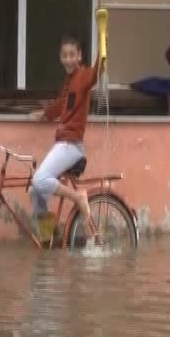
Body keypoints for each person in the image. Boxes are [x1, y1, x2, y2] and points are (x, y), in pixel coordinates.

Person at [29, 35, 102, 236]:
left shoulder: (83, 75)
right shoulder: (69, 81)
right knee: (35, 191)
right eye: (64, 55)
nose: (68, 59)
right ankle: (47, 237)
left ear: (79, 56)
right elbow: (61, 105)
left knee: (39, 180)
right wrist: (44, 114)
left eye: (72, 55)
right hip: (63, 143)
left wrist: (103, 42)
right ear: (60, 58)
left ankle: (78, 198)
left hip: (72, 145)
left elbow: (97, 73)